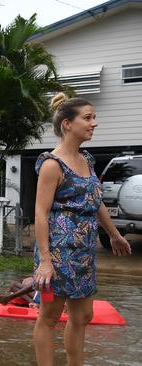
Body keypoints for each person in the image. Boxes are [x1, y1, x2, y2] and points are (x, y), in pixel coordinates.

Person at [33, 92, 132, 366]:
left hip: (84, 251)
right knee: (49, 317)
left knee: (82, 316)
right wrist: (44, 261)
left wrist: (114, 234)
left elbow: (95, 201)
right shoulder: (52, 165)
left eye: (94, 118)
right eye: (87, 118)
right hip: (58, 252)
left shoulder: (87, 160)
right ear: (67, 124)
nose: (94, 123)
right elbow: (40, 213)